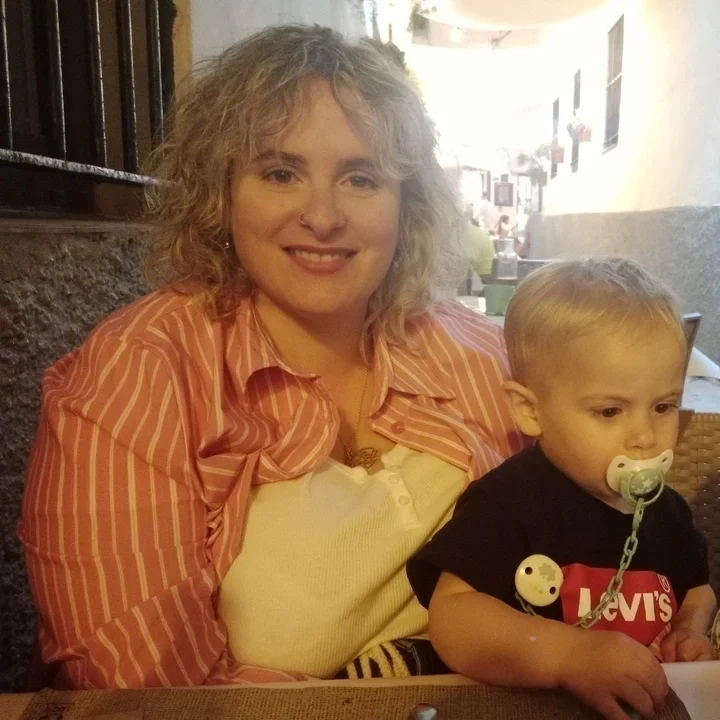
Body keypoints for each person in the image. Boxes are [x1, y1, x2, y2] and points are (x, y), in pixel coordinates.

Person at [18, 25, 525, 689]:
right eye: (281, 173)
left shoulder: (488, 358)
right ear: (220, 192)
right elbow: (141, 689)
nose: (322, 216)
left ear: (407, 205)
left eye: (361, 178)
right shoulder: (135, 376)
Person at [407, 258, 718, 720]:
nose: (644, 437)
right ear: (530, 411)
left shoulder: (667, 510)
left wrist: (689, 631)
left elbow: (696, 588)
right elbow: (454, 617)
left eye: (662, 406)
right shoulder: (508, 502)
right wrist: (566, 655)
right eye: (609, 412)